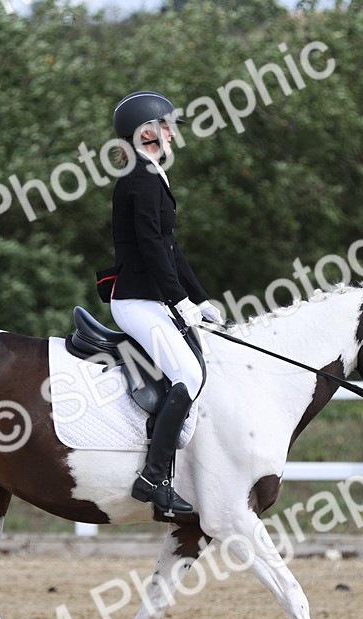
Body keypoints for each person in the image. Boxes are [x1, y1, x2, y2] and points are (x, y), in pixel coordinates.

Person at [108, 90, 224, 516]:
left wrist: (199, 298)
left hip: (153, 299)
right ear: (148, 132)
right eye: (166, 125)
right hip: (137, 302)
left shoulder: (152, 175)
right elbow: (152, 247)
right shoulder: (140, 180)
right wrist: (180, 301)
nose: (173, 132)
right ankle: (154, 478)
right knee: (188, 376)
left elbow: (171, 248)